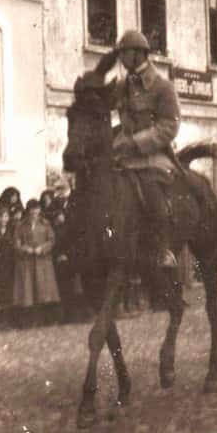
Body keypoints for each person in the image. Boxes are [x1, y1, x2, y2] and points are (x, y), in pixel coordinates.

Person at [82, 29, 182, 272]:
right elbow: (102, 101)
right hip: (124, 155)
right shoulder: (123, 85)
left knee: (152, 195)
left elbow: (170, 125)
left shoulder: (162, 86)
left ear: (138, 54)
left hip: (153, 156)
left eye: (124, 54)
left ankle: (164, 249)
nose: (121, 59)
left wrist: (137, 142)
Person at [13, 200, 60, 327]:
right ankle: (29, 321)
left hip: (42, 261)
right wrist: (25, 248)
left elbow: (51, 240)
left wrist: (42, 248)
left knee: (43, 291)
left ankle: (44, 320)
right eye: (32, 209)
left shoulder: (45, 224)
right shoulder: (21, 225)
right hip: (27, 262)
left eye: (37, 209)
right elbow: (16, 242)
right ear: (28, 211)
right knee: (28, 291)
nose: (34, 212)